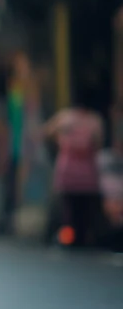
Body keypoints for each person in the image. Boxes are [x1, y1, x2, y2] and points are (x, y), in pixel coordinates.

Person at [44, 101, 104, 246]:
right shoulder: (94, 120)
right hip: (87, 172)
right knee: (85, 209)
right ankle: (83, 238)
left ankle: (68, 239)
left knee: (68, 211)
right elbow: (99, 143)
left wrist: (60, 138)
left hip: (68, 170)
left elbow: (47, 131)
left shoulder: (66, 117)